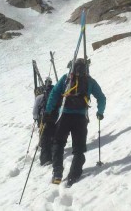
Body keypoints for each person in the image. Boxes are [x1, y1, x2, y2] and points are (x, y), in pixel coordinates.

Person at [44, 58, 106, 186]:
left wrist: (48, 111)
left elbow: (54, 94)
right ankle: (74, 175)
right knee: (78, 148)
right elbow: (101, 97)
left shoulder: (66, 78)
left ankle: (57, 173)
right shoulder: (90, 81)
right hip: (80, 118)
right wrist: (100, 112)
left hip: (64, 115)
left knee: (58, 143)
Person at [33, 77, 57, 166]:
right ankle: (54, 154)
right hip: (55, 118)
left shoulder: (40, 96)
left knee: (44, 136)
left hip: (43, 118)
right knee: (53, 135)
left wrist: (35, 118)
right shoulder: (55, 94)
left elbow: (35, 109)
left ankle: (45, 159)